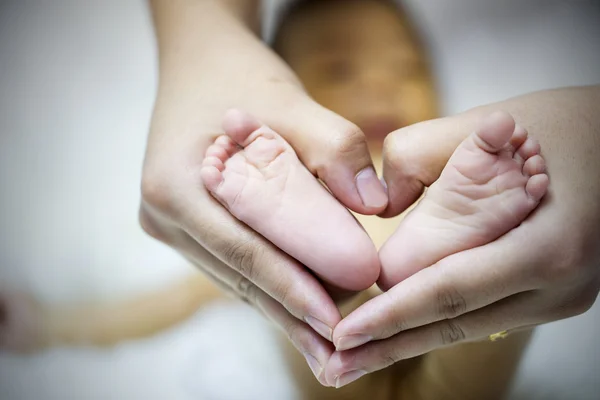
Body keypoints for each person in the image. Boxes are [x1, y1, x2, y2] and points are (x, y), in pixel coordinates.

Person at [2, 0, 599, 398]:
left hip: (447, 296)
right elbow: (163, 306)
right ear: (281, 93)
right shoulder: (246, 261)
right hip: (347, 352)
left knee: (499, 293)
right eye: (338, 69)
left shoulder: (449, 183)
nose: (379, 85)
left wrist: (52, 328)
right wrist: (52, 324)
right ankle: (333, 259)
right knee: (308, 307)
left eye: (408, 69)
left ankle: (470, 248)